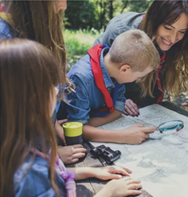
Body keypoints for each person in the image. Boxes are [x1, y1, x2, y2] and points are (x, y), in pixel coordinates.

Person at [0, 39, 143, 197]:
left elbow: (51, 171)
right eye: (51, 86)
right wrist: (109, 192)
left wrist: (91, 171)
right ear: (32, 100)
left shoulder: (16, 146)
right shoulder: (31, 175)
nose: (56, 92)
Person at [0, 0, 86, 164]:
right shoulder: (5, 39)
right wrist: (52, 156)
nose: (63, 6)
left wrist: (53, 127)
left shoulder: (28, 28)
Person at [93, 0, 188, 116]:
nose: (173, 39)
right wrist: (118, 98)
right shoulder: (120, 32)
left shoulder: (180, 41)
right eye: (168, 28)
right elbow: (98, 70)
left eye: (181, 31)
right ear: (155, 19)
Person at [56, 29, 159, 144]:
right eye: (139, 76)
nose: (138, 80)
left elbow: (117, 109)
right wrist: (123, 136)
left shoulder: (115, 70)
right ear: (125, 69)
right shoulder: (82, 77)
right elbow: (75, 129)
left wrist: (86, 125)